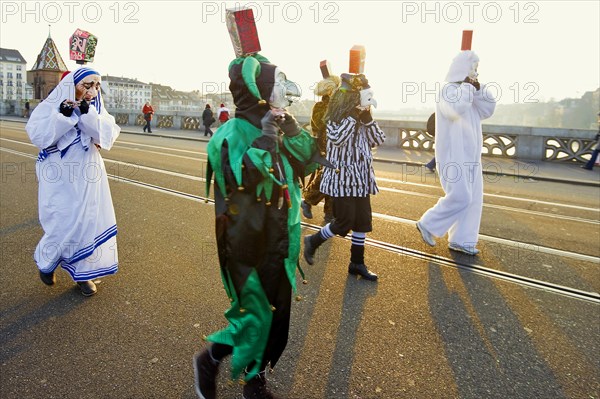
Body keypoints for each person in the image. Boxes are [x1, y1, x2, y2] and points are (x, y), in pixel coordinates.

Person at [192, 53, 318, 399]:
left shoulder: (276, 122)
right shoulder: (231, 132)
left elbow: (308, 160)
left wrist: (291, 129)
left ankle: (255, 379)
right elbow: (238, 180)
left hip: (282, 235)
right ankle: (210, 359)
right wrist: (264, 140)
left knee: (278, 320)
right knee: (255, 315)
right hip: (247, 240)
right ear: (260, 91)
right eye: (277, 84)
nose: (284, 92)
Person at [25, 67, 121, 296]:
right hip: (60, 174)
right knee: (64, 220)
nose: (92, 91)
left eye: (96, 86)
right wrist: (64, 116)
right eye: (87, 85)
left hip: (89, 173)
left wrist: (88, 115)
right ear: (72, 85)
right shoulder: (51, 105)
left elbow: (107, 136)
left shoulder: (97, 108)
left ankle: (83, 275)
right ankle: (47, 261)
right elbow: (39, 136)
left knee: (89, 220)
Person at [303, 73, 385, 281]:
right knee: (344, 221)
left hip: (362, 179)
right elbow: (337, 139)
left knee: (362, 222)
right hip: (342, 180)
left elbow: (378, 140)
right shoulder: (335, 118)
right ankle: (313, 240)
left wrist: (367, 120)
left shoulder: (362, 118)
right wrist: (353, 116)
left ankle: (357, 263)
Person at [416, 50, 496, 256]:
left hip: (472, 155)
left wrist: (477, 89)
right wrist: (468, 88)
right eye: (473, 68)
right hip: (453, 154)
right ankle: (428, 223)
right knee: (460, 195)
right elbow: (455, 109)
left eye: (477, 69)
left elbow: (488, 109)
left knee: (474, 198)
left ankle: (463, 239)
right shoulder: (447, 90)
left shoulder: (470, 91)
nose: (476, 72)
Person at [301, 75, 340, 224]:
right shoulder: (328, 106)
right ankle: (310, 201)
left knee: (333, 175)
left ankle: (329, 213)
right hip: (328, 144)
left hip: (328, 143)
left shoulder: (320, 106)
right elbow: (319, 125)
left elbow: (315, 125)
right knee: (331, 173)